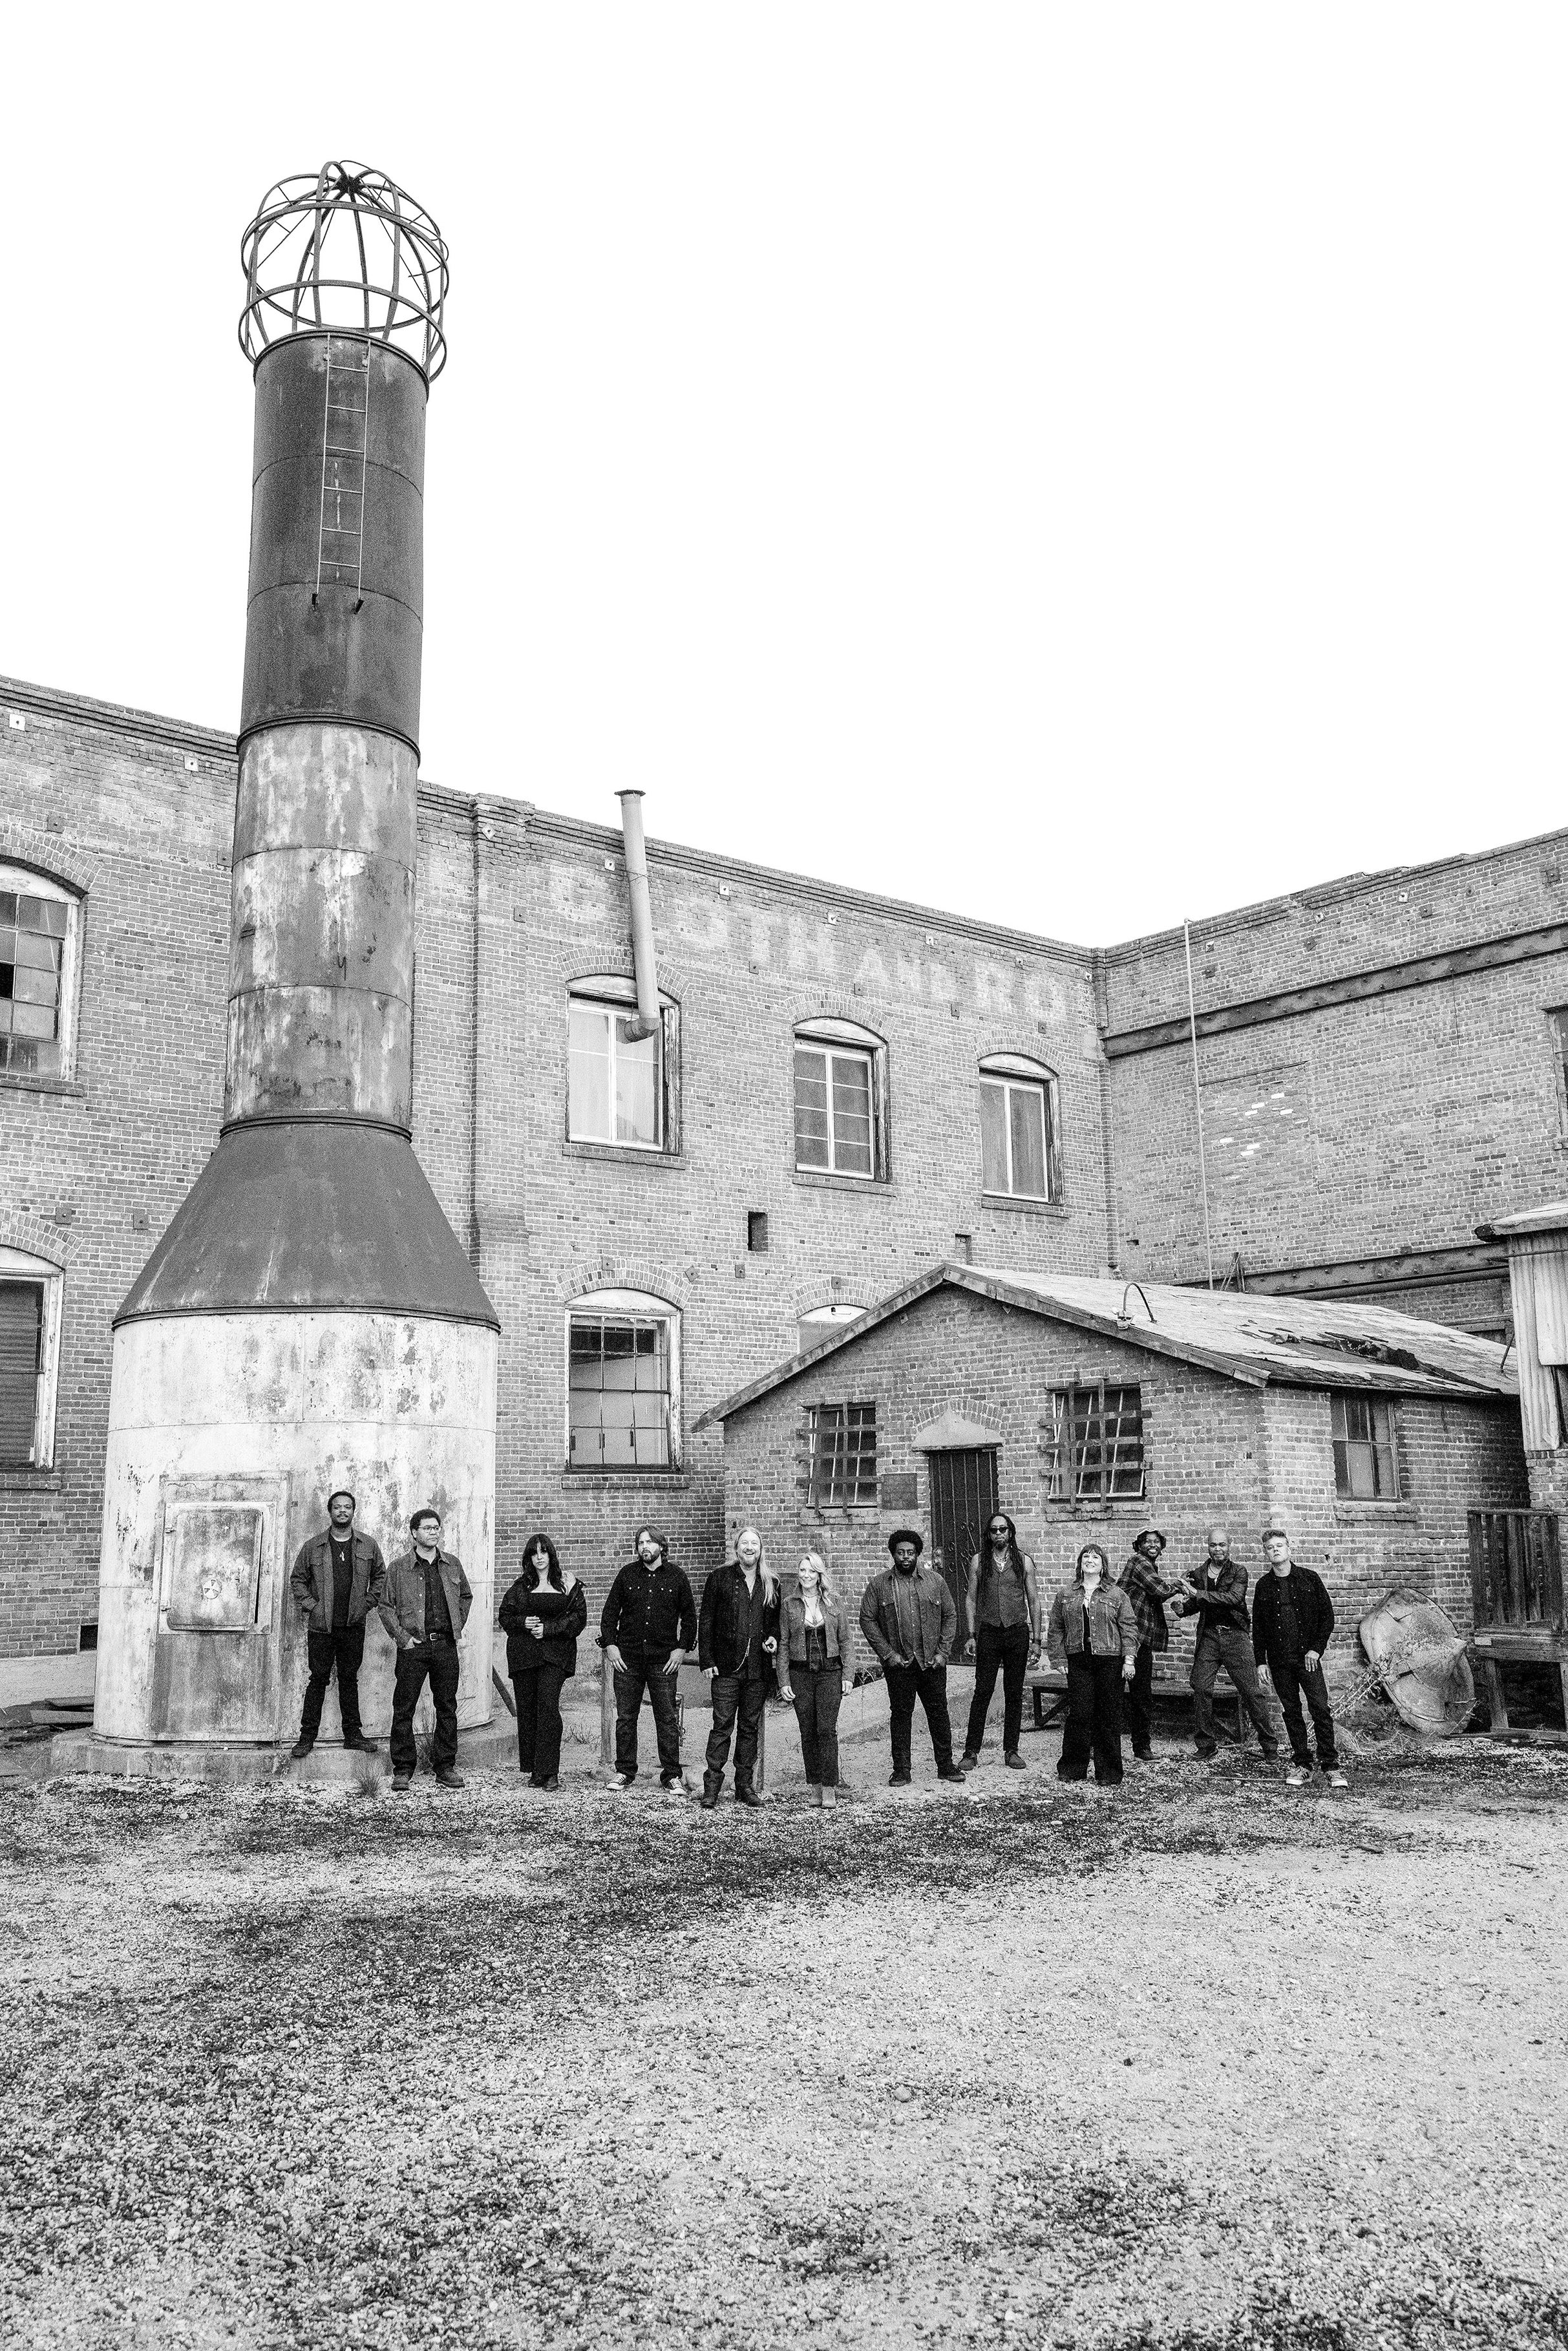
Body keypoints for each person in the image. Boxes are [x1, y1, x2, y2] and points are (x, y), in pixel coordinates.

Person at [858, 1529, 966, 1787]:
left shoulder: (935, 1581)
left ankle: (946, 1765)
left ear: (918, 1554)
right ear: (893, 1554)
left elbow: (950, 1615)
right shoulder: (880, 1585)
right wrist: (888, 1654)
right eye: (900, 1553)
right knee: (900, 1715)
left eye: (910, 1552)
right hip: (900, 1664)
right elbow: (867, 1619)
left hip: (932, 1663)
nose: (905, 1557)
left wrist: (943, 1652)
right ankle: (901, 1770)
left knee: (939, 1713)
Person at [288, 1488, 387, 1760]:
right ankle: (307, 1737)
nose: (343, 1511)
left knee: (349, 1679)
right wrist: (313, 1606)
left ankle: (353, 1735)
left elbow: (380, 1576)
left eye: (347, 1507)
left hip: (353, 1625)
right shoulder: (314, 1546)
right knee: (318, 1679)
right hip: (322, 1627)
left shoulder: (368, 1545)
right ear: (330, 1512)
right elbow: (297, 1579)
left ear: (353, 1512)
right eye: (337, 1507)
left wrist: (367, 1603)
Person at [379, 1507, 473, 1793]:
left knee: (447, 1707)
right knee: (404, 1708)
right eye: (428, 1528)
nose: (434, 1532)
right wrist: (403, 1638)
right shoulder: (399, 1568)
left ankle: (445, 1767)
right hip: (414, 1648)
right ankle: (403, 1770)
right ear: (414, 1533)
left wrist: (455, 1626)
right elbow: (385, 1606)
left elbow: (466, 1597)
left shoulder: (452, 1564)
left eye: (436, 1528)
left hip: (445, 1646)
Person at [599, 1526, 697, 1795]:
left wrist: (681, 1649)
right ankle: (624, 1771)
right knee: (626, 1718)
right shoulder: (627, 1575)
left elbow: (690, 1618)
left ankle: (672, 1775)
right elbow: (609, 1614)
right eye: (641, 1542)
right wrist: (611, 1645)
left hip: (663, 1661)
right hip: (628, 1660)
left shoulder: (677, 1577)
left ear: (661, 1546)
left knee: (666, 1718)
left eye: (650, 1542)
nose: (645, 1547)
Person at [1169, 1527, 1281, 1765]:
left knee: (1251, 1691)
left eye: (1222, 1545)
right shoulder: (1199, 1573)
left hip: (1235, 1637)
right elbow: (1196, 1603)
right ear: (1208, 1547)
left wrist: (1196, 1593)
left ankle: (1270, 1747)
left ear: (1230, 1546)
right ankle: (1206, 1745)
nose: (1217, 1549)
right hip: (1209, 1636)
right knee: (1201, 1687)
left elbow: (1233, 1599)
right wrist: (1182, 1608)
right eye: (1213, 1545)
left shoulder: (1239, 1571)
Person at [1251, 1529, 1348, 1790]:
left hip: (1308, 1659)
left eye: (1279, 1546)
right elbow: (1258, 1628)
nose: (1275, 1550)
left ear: (1289, 1549)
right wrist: (1261, 1661)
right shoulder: (1264, 1586)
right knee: (1292, 1711)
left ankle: (1331, 1766)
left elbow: (1327, 1618)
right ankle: (1303, 1765)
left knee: (1320, 1708)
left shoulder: (1309, 1579)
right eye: (1270, 1547)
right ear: (1266, 1553)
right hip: (1280, 1661)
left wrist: (1316, 1649)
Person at [697, 1527, 781, 1810]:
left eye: (754, 1543)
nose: (749, 1547)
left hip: (757, 1670)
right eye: (744, 1543)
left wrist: (773, 1638)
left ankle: (744, 1786)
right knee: (722, 1726)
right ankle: (712, 1787)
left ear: (761, 1549)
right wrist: (707, 1660)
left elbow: (774, 1624)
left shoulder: (771, 1583)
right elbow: (706, 1620)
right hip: (726, 1669)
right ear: (736, 1549)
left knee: (749, 1728)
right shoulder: (720, 1578)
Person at [498, 1532, 588, 1789]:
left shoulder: (566, 1583)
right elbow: (505, 1616)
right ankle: (536, 1771)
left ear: (551, 1554)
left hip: (555, 1655)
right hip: (524, 1656)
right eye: (534, 1553)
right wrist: (523, 1622)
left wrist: (548, 1629)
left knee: (548, 1707)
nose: (539, 1557)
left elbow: (579, 1618)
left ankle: (550, 1771)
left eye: (543, 1552)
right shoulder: (521, 1587)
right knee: (528, 1711)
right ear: (528, 1558)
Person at [1046, 1542, 1138, 1785]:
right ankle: (1072, 1769)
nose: (1090, 1560)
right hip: (1079, 1660)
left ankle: (1109, 1773)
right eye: (1086, 1556)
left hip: (1110, 1660)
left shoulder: (1117, 1595)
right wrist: (1058, 1658)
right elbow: (1056, 1628)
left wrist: (1129, 1660)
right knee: (1080, 1713)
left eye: (1096, 1557)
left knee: (1108, 1715)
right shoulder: (1066, 1594)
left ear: (1103, 1565)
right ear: (1080, 1564)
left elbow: (1129, 1629)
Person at [960, 1510, 1041, 1772]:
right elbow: (971, 1599)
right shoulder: (979, 1561)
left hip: (1017, 1632)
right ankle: (971, 1751)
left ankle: (1011, 1750)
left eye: (1003, 1529)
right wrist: (971, 1634)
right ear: (989, 1534)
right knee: (982, 1691)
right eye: (994, 1530)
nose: (998, 1534)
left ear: (1010, 1532)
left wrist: (1037, 1639)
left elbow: (1034, 1601)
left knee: (1014, 1692)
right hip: (990, 1633)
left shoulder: (1024, 1561)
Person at [778, 1552, 856, 1808]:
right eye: (803, 1570)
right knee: (808, 1731)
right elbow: (784, 1644)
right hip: (800, 1674)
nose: (806, 1575)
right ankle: (814, 1785)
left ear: (819, 1574)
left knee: (826, 1729)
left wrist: (848, 1675)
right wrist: (784, 1680)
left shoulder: (834, 1601)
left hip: (830, 1673)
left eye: (812, 1571)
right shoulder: (789, 1604)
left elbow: (846, 1641)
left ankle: (830, 1787)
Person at [1118, 1528, 1180, 1762]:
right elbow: (1160, 1590)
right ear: (1139, 1546)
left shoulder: (1151, 1567)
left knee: (1142, 1696)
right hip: (1124, 1639)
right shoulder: (1139, 1562)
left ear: (1161, 1547)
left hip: (1140, 1640)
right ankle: (1103, 1746)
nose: (1152, 1545)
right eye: (1147, 1542)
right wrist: (1180, 1585)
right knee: (1114, 1694)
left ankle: (1141, 1747)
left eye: (1157, 1542)